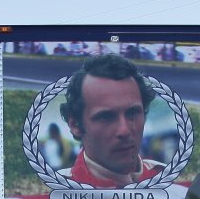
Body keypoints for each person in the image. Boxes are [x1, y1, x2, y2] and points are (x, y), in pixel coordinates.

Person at [56, 54, 167, 188]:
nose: (124, 131)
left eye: (132, 113)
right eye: (106, 117)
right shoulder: (54, 189)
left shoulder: (168, 177)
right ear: (75, 125)